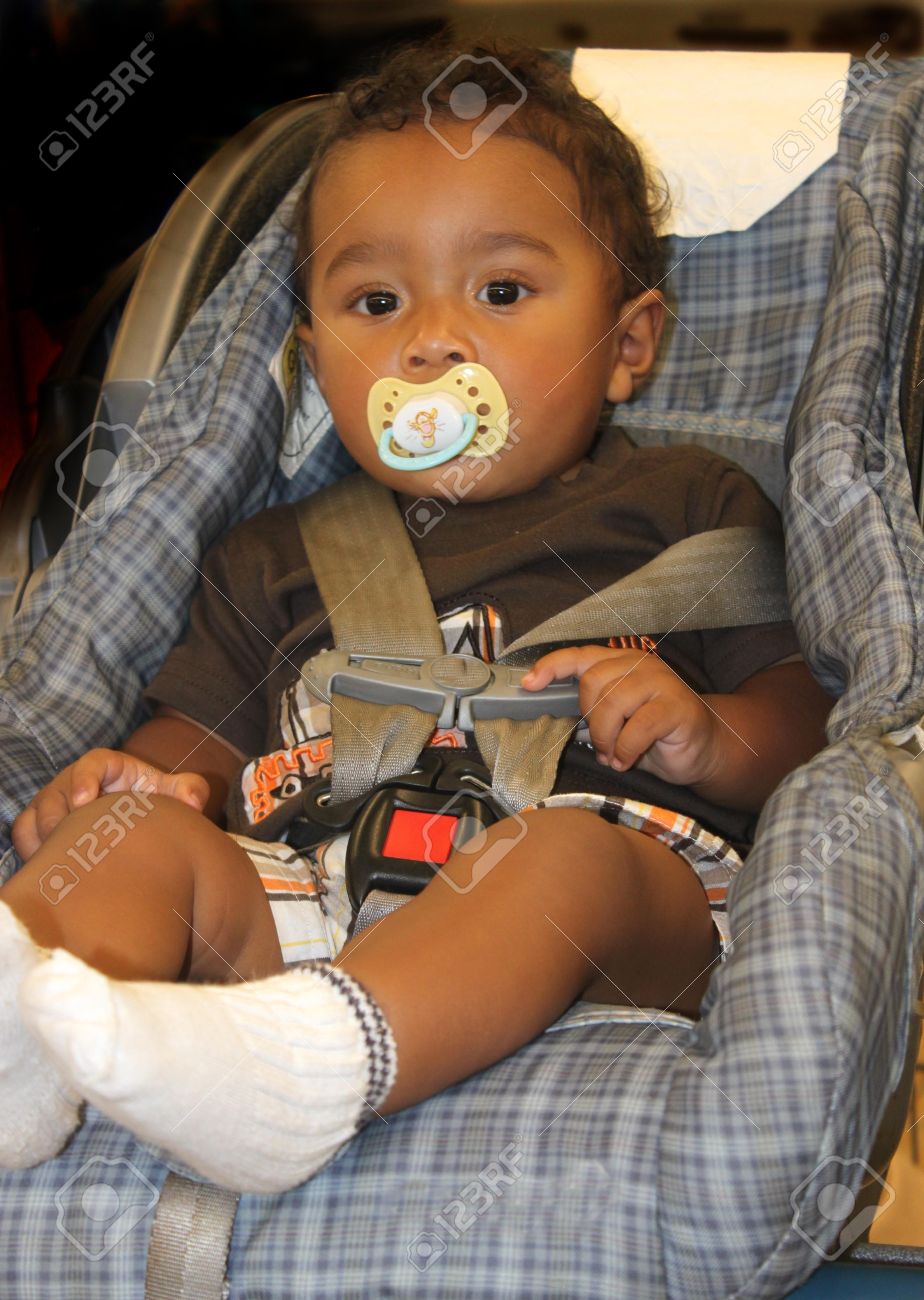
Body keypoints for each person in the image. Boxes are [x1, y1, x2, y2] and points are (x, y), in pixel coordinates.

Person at [0, 39, 833, 1193]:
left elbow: (808, 723)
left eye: (499, 291)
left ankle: (312, 1077)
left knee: (554, 863)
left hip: (613, 906)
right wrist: (134, 789)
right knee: (126, 847)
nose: (429, 341)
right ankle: (24, 1048)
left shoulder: (689, 502)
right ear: (314, 360)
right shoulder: (271, 558)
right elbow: (190, 749)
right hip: (325, 884)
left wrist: (707, 733)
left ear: (627, 345)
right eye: (376, 301)